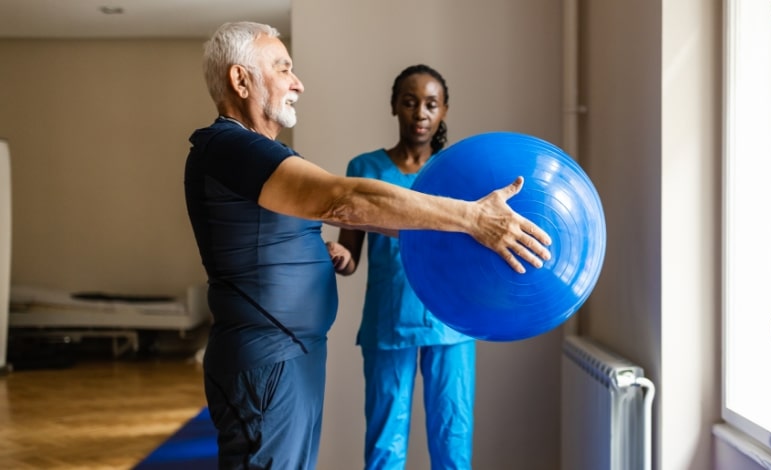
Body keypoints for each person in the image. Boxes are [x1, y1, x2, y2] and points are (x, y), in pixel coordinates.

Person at [184, 22, 551, 469]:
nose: (298, 82)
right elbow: (346, 201)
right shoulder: (231, 147)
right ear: (241, 80)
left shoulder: (260, 155)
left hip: (289, 354)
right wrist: (471, 218)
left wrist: (471, 231)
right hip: (267, 358)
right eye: (283, 68)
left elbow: (361, 222)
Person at [333, 64, 474, 470]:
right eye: (410, 103)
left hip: (451, 325)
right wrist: (337, 259)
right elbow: (351, 257)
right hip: (388, 321)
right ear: (395, 106)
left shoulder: (457, 171)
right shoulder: (364, 169)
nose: (420, 113)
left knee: (453, 440)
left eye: (431, 104)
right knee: (384, 446)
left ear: (444, 110)